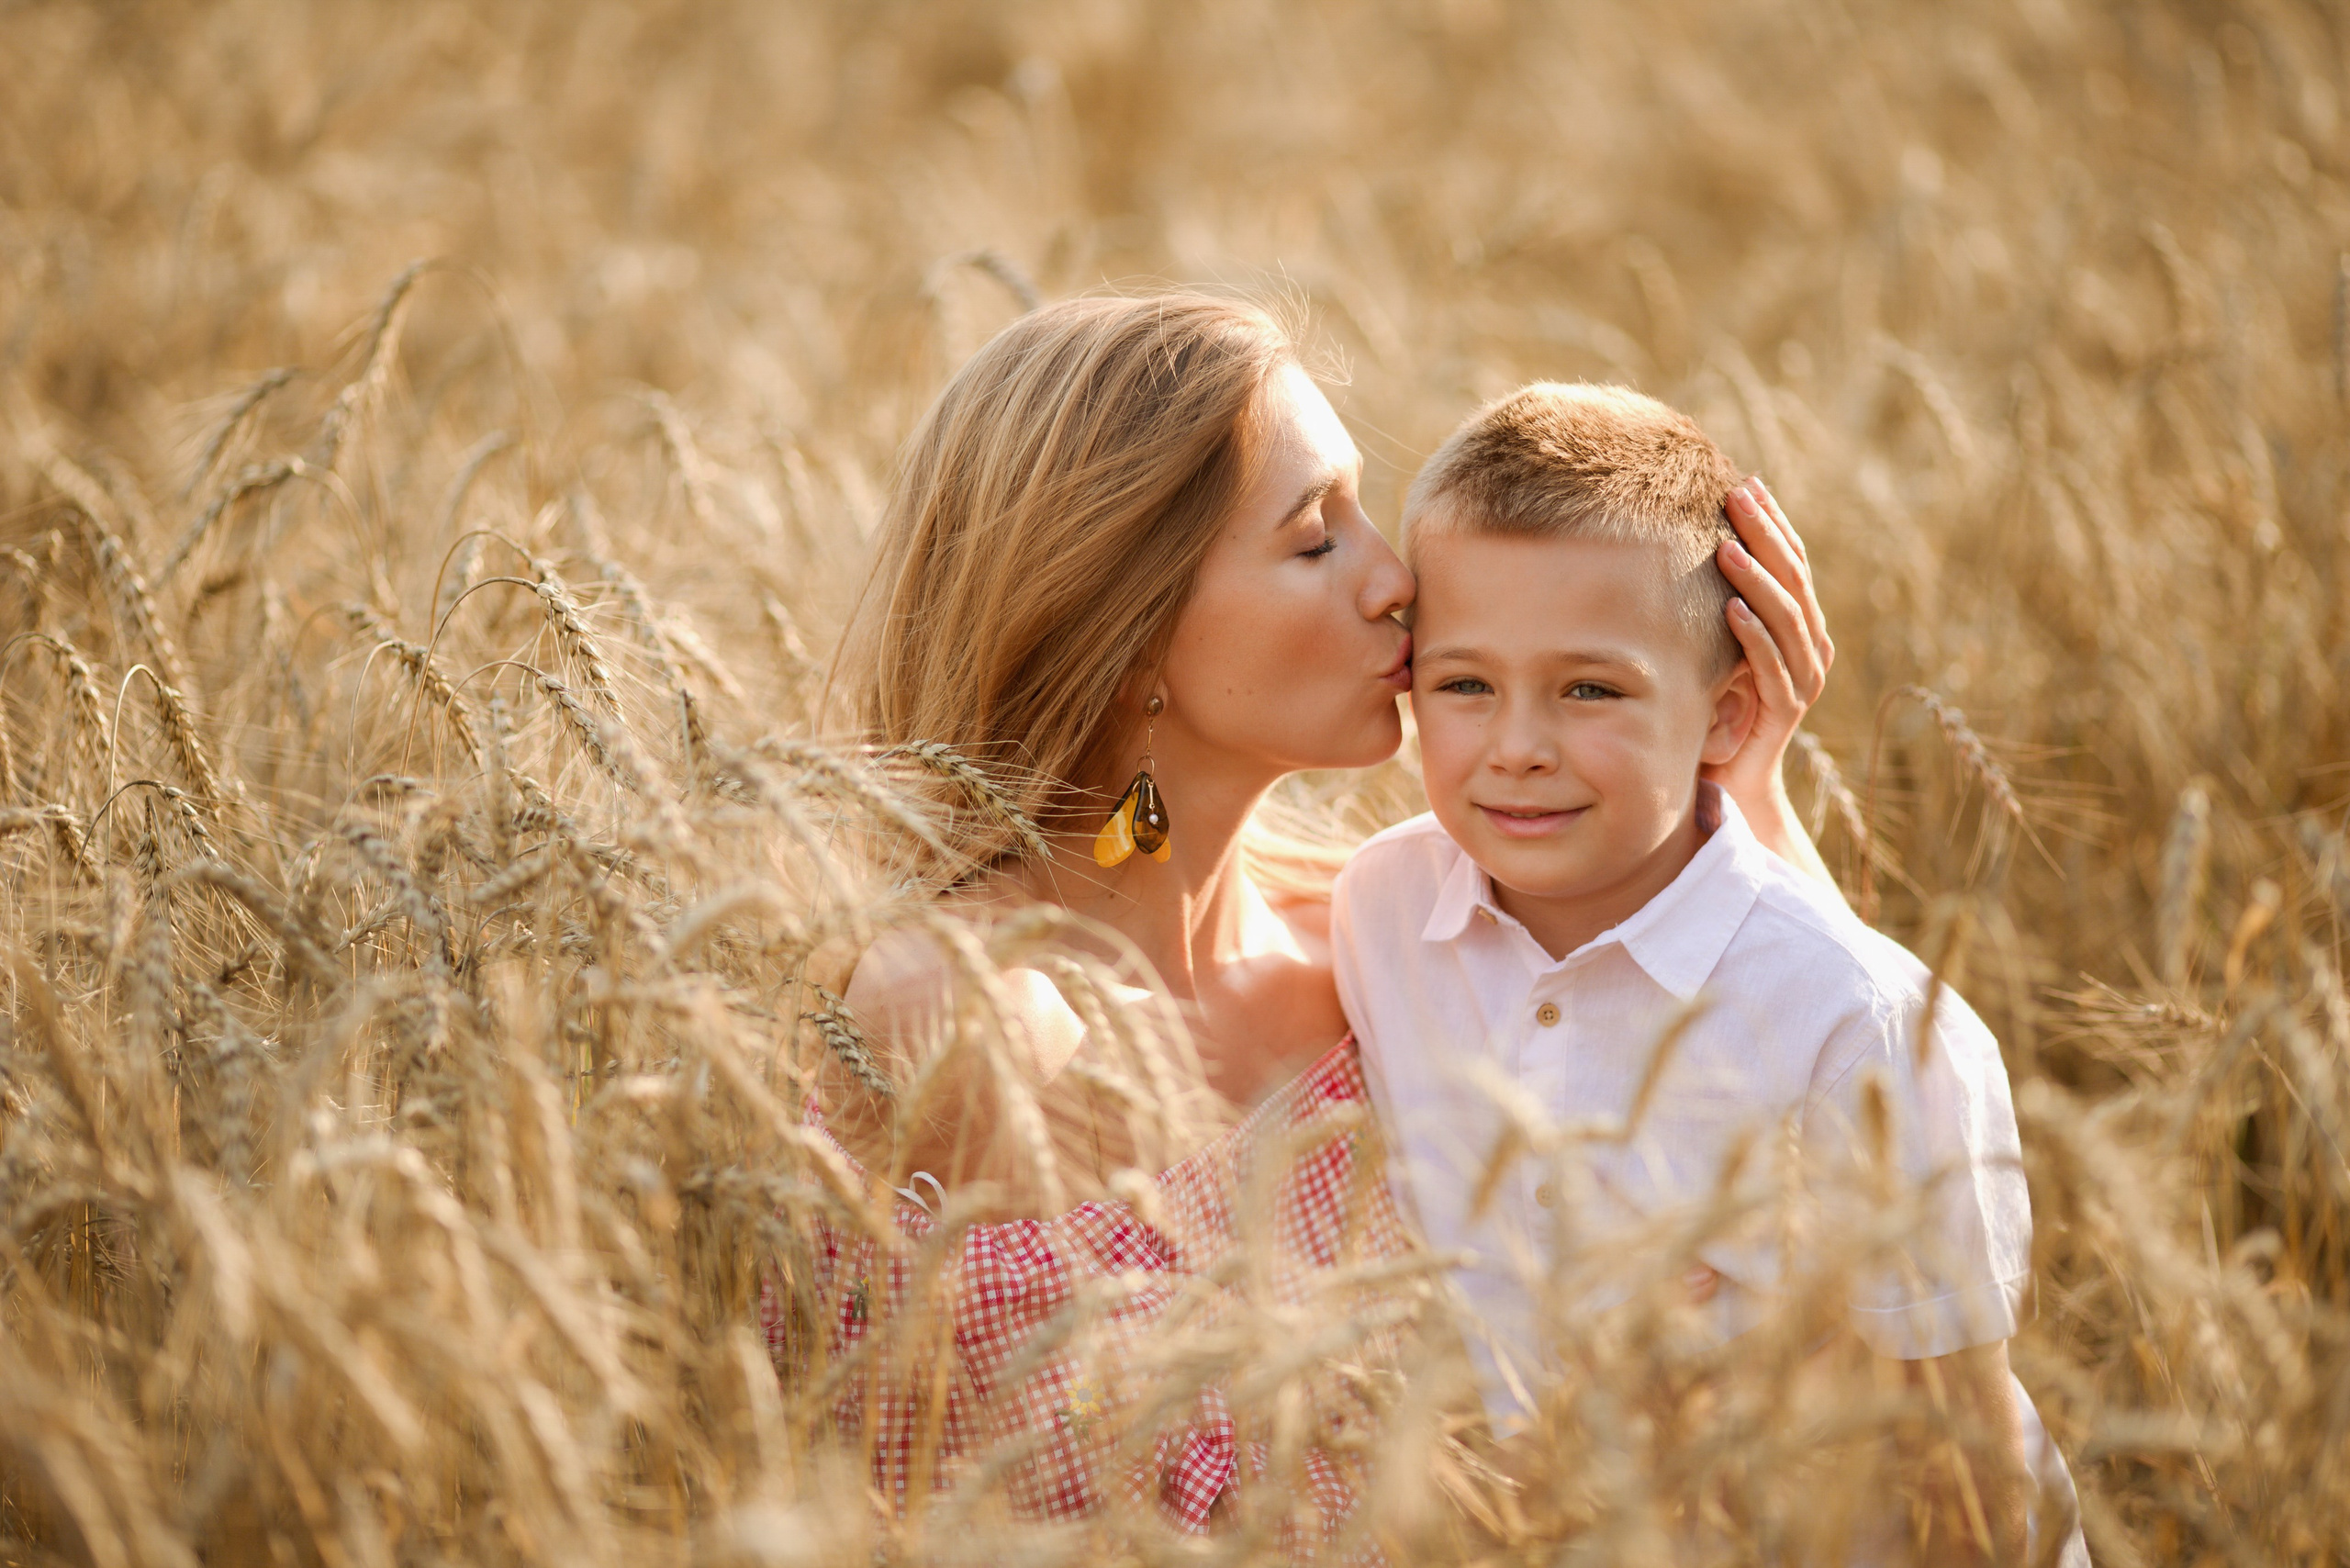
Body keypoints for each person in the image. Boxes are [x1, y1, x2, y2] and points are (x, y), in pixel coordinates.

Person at [763, 296, 1834, 1551]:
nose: (1396, 579)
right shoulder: (965, 1012)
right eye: (1316, 538)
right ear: (1128, 633)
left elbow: (1823, 1130)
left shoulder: (1387, 939)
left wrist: (1739, 792)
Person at [1330, 382, 2087, 1563]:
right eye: (1464, 684)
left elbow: (1969, 1475)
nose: (1517, 744)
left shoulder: (1856, 1024)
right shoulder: (1378, 911)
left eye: (1591, 688)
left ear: (1730, 713)